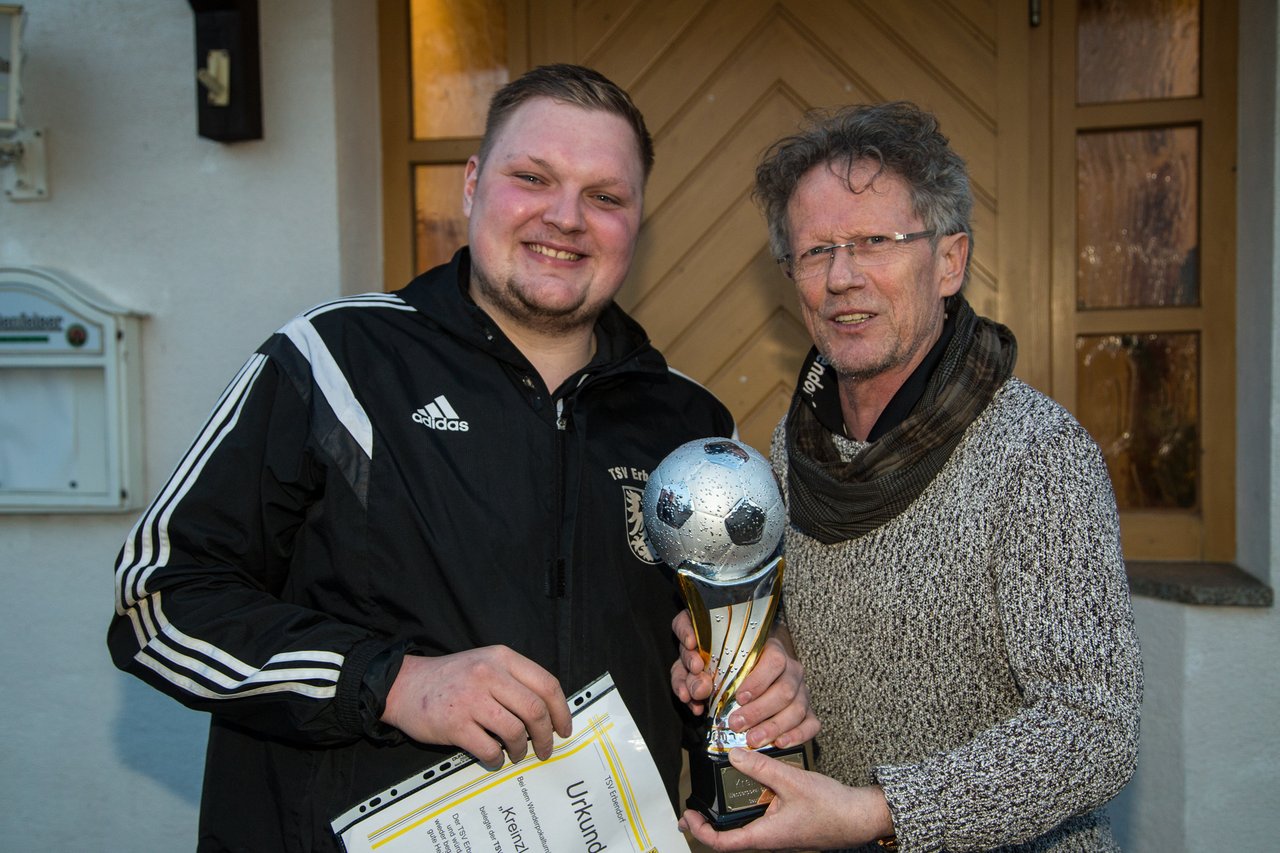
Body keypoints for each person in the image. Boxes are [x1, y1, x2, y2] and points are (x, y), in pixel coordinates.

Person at [108, 64, 816, 852]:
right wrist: (396, 681)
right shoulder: (334, 362)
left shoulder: (685, 419)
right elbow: (159, 601)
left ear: (638, 222)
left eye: (605, 196)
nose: (566, 217)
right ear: (473, 184)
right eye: (533, 177)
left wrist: (742, 675)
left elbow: (704, 651)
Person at [673, 101, 1143, 852]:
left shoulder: (1037, 453)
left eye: (874, 243)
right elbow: (827, 629)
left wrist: (876, 812)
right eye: (816, 251)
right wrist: (764, 656)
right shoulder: (795, 445)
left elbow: (1095, 731)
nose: (842, 278)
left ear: (949, 260)